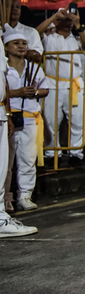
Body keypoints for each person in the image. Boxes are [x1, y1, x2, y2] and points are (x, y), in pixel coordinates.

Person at [4, 29, 48, 211]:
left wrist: (34, 93)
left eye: (24, 43)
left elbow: (45, 88)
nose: (21, 46)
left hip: (30, 118)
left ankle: (25, 196)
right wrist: (17, 93)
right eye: (16, 43)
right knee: (6, 161)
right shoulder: (4, 67)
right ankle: (5, 198)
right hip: (8, 117)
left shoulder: (33, 67)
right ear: (6, 47)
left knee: (27, 159)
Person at [36, 7, 85, 166]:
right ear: (57, 21)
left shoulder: (76, 38)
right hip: (53, 84)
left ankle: (75, 154)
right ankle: (51, 153)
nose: (69, 23)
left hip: (74, 85)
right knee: (51, 122)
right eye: (66, 19)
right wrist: (54, 16)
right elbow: (35, 33)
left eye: (71, 20)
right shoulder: (49, 37)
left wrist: (79, 25)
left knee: (77, 120)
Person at [0, 34, 35, 238]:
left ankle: (1, 217)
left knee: (2, 167)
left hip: (2, 113)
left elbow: (2, 80)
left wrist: (7, 113)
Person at [5, 0, 42, 64]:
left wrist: (15, 51)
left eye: (18, 7)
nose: (15, 9)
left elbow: (37, 56)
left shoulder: (31, 31)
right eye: (10, 6)